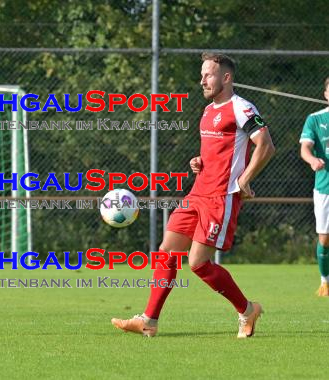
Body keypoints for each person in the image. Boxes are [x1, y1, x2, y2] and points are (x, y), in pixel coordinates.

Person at [111, 52, 276, 338]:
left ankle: (247, 310)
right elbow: (218, 151)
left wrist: (243, 180)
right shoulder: (208, 110)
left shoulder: (242, 108)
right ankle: (149, 320)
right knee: (166, 252)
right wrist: (199, 162)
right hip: (197, 192)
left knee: (198, 263)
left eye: (208, 74)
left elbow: (266, 145)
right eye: (202, 74)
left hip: (220, 197)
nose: (202, 80)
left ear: (226, 77)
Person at [299, 77, 329, 297]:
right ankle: (325, 282)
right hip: (324, 187)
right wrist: (312, 160)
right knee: (325, 238)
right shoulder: (315, 119)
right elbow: (305, 149)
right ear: (325, 93)